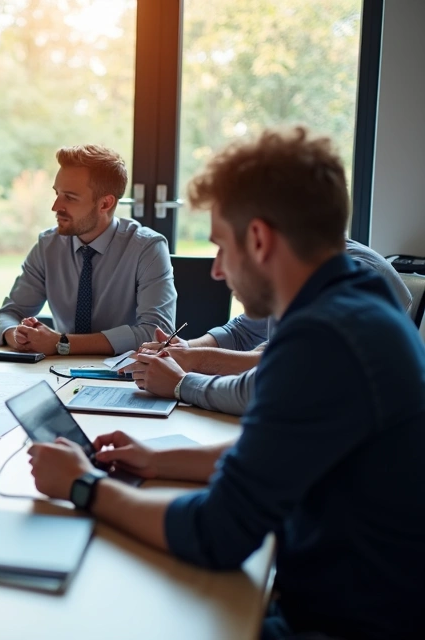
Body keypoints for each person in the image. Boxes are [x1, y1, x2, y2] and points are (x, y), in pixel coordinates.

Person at [28, 127, 425, 639]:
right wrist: (156, 459)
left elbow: (216, 533)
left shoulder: (325, 339)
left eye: (220, 246)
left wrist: (83, 486)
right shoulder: (353, 298)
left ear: (258, 239)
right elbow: (272, 449)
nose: (217, 270)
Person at [125, 239, 413, 415]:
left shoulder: (345, 288)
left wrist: (182, 381)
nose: (217, 270)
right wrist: (185, 349)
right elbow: (245, 334)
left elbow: (268, 379)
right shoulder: (297, 275)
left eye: (227, 246)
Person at [0, 145, 175, 356]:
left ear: (105, 203)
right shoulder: (48, 246)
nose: (55, 206)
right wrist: (18, 335)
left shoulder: (147, 248)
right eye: (57, 193)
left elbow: (156, 333)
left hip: (126, 372)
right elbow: (8, 315)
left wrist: (62, 343)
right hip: (56, 370)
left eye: (69, 197)